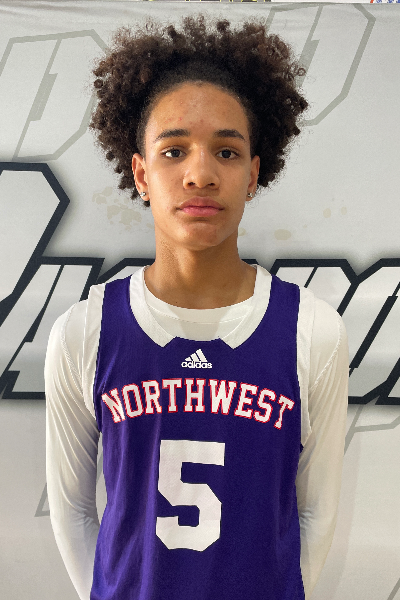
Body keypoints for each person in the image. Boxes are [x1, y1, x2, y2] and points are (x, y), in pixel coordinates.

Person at [45, 15, 349, 600]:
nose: (200, 175)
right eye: (174, 150)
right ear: (141, 173)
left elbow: (316, 515)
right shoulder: (86, 331)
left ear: (254, 174)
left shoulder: (312, 330)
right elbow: (74, 513)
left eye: (227, 152)